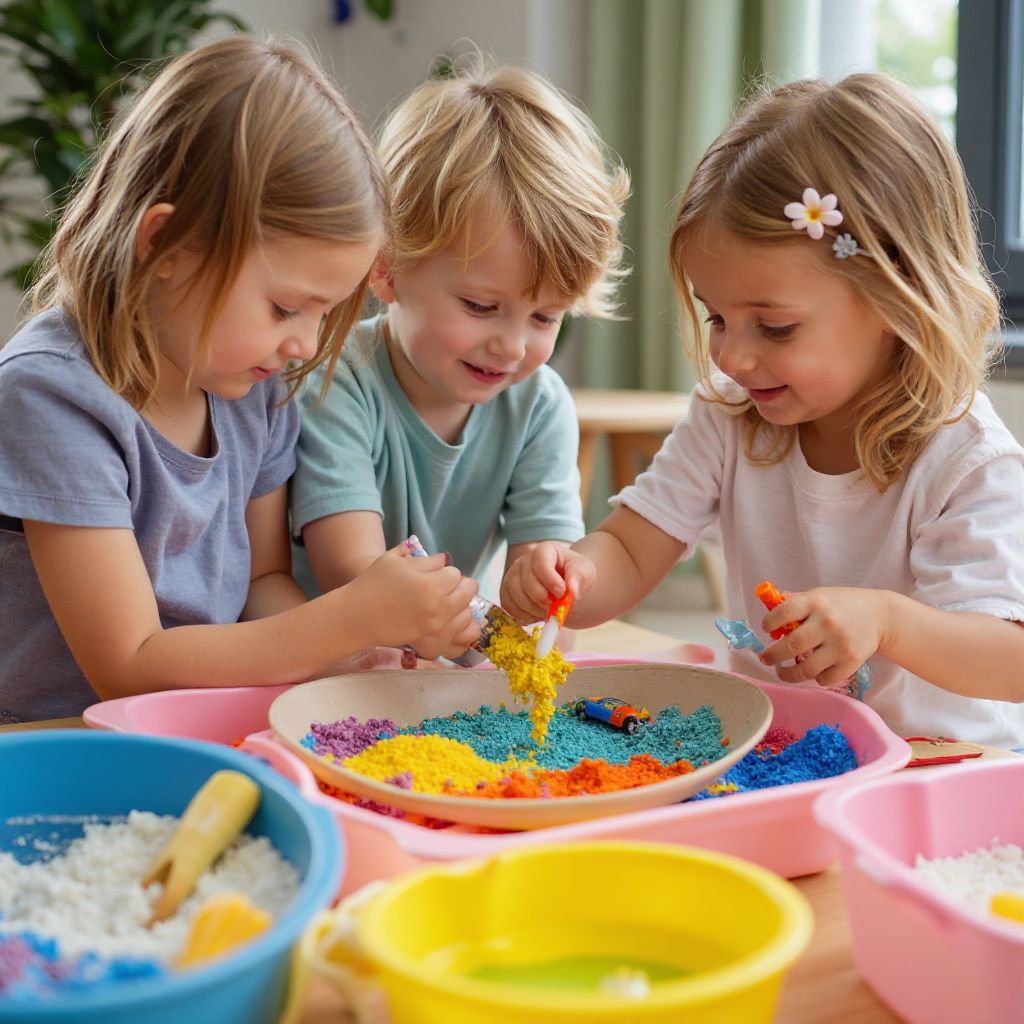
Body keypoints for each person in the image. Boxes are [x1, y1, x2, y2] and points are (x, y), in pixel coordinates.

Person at [501, 73, 1024, 748]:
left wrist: (888, 622)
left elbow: (1010, 660)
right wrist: (574, 574)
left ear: (898, 297)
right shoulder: (728, 418)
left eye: (774, 328)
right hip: (776, 747)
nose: (733, 359)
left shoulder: (968, 462)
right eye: (717, 317)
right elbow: (631, 550)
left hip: (940, 766)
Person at [0, 36, 479, 724]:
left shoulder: (253, 388)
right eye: (286, 307)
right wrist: (347, 618)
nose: (306, 343)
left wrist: (358, 650)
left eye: (325, 313)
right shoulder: (53, 398)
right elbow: (128, 666)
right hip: (58, 743)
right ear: (165, 245)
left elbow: (262, 582)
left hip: (210, 725)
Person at [290, 58, 629, 656]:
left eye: (546, 317)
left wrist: (546, 577)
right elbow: (353, 571)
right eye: (479, 305)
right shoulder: (335, 381)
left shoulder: (539, 404)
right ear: (388, 268)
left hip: (437, 655)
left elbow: (546, 583)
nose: (513, 347)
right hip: (332, 655)